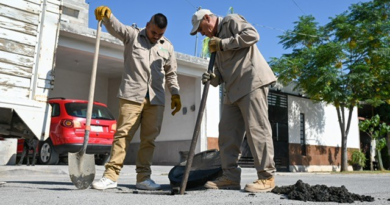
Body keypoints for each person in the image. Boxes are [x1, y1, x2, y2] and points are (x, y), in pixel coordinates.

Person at [92, 6, 181, 190]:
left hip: (155, 100)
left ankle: (143, 179)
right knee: (123, 135)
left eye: (160, 34)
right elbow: (116, 27)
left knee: (149, 140)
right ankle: (110, 176)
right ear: (148, 24)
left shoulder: (167, 46)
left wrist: (175, 94)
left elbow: (171, 74)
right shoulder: (132, 35)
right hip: (132, 95)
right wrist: (108, 17)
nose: (156, 36)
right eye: (153, 32)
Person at [190, 9, 277, 192]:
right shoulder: (214, 43)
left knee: (257, 131)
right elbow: (222, 73)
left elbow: (253, 35)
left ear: (207, 18)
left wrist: (223, 43)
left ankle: (266, 177)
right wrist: (213, 78)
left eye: (200, 28)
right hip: (232, 90)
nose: (201, 33)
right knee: (227, 134)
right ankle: (230, 177)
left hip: (251, 82)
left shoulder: (230, 21)